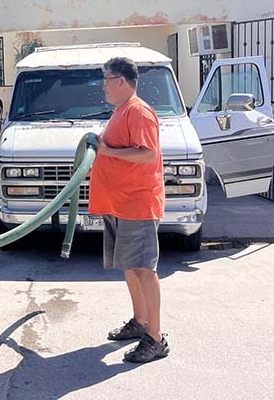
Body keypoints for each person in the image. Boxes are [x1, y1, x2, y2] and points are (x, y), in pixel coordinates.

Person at [88, 57, 169, 363]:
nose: (103, 86)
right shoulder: (122, 112)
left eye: (106, 79)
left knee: (144, 269)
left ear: (121, 80)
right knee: (130, 265)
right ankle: (140, 322)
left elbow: (148, 155)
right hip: (120, 202)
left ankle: (156, 337)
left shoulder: (138, 111)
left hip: (137, 203)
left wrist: (107, 151)